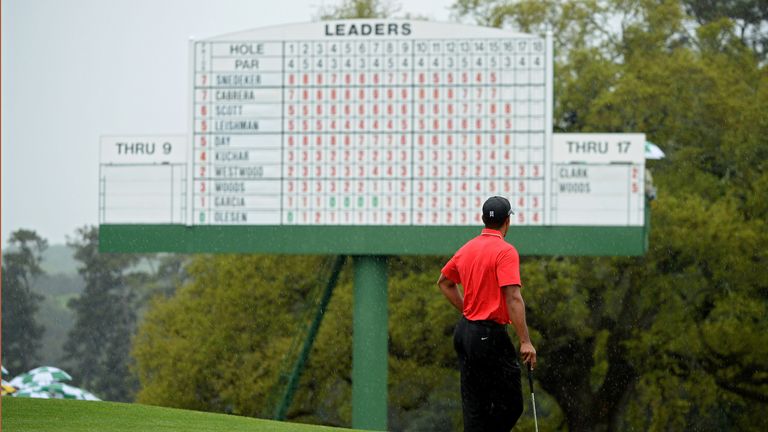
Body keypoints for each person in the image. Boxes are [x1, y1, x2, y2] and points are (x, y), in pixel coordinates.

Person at [438, 196, 537, 431]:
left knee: (475, 406)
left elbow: (444, 282)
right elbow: (513, 297)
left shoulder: (467, 248)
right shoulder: (505, 251)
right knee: (511, 405)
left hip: (465, 332)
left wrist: (469, 311)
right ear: (507, 222)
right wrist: (525, 341)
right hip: (488, 335)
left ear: (483, 219)